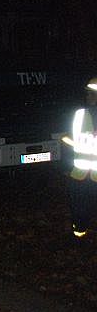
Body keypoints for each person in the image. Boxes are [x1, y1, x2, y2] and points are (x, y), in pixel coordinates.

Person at [66, 77, 97, 238]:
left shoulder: (79, 114)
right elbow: (69, 137)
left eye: (91, 94)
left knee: (81, 204)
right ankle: (79, 233)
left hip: (82, 174)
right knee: (80, 206)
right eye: (87, 94)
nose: (88, 97)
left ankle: (80, 233)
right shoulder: (79, 114)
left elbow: (68, 138)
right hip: (79, 173)